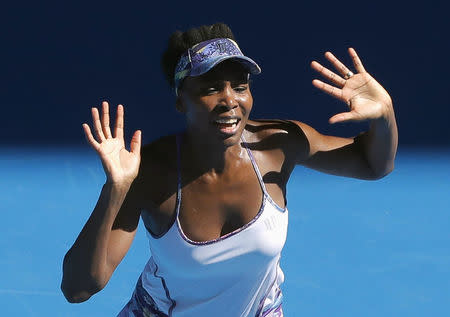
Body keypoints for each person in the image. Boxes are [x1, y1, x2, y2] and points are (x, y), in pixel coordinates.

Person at [61, 23, 398, 316]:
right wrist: (116, 189)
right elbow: (78, 289)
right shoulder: (151, 174)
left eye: (240, 86)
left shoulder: (278, 145)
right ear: (181, 99)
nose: (230, 100)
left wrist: (384, 116)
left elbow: (372, 164)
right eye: (210, 88)